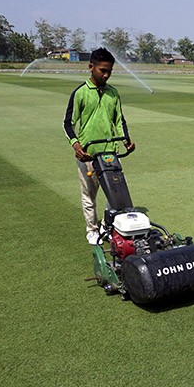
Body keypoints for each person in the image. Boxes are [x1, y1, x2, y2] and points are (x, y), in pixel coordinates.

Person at [63, 47, 135, 245]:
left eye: (109, 71)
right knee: (89, 196)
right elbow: (67, 123)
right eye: (102, 70)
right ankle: (92, 230)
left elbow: (120, 119)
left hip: (110, 153)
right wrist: (76, 145)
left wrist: (125, 139)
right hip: (88, 154)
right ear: (91, 67)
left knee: (115, 195)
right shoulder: (80, 93)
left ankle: (106, 225)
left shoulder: (113, 93)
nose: (106, 75)